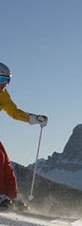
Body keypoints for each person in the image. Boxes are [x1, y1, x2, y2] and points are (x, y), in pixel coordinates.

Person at [0, 62, 48, 209]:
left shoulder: (3, 95)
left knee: (6, 164)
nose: (4, 85)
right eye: (2, 80)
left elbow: (14, 112)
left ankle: (10, 198)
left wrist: (33, 118)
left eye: (7, 81)